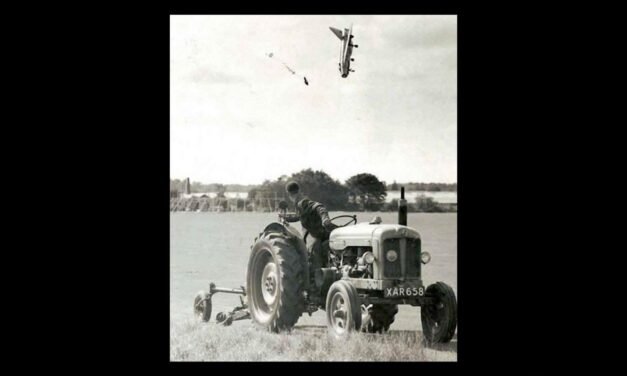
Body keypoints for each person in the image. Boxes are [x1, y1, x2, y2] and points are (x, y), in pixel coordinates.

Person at [281, 181, 338, 270]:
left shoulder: (302, 202)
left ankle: (318, 275)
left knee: (314, 251)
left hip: (316, 233)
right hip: (316, 232)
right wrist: (287, 218)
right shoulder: (299, 203)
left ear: (289, 194)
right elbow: (300, 216)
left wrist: (325, 219)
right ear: (299, 190)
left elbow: (319, 207)